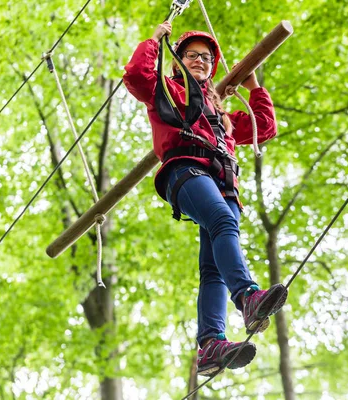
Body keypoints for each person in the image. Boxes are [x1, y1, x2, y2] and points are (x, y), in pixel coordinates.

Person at [123, 21, 288, 376]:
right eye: (192, 55)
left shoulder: (221, 114)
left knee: (213, 267)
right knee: (222, 222)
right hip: (185, 170)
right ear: (178, 60)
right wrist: (155, 40)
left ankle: (211, 343)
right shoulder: (166, 90)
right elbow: (137, 76)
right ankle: (246, 296)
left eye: (206, 58)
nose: (200, 61)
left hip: (223, 183)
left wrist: (253, 84)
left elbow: (265, 126)